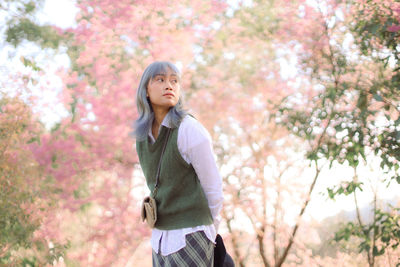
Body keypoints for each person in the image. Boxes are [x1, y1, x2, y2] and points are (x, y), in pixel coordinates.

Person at [133, 61, 224, 267]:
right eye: (160, 79)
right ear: (146, 90)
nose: (169, 85)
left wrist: (209, 233)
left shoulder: (189, 129)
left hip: (192, 234)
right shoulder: (141, 139)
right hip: (160, 239)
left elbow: (214, 188)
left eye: (174, 81)